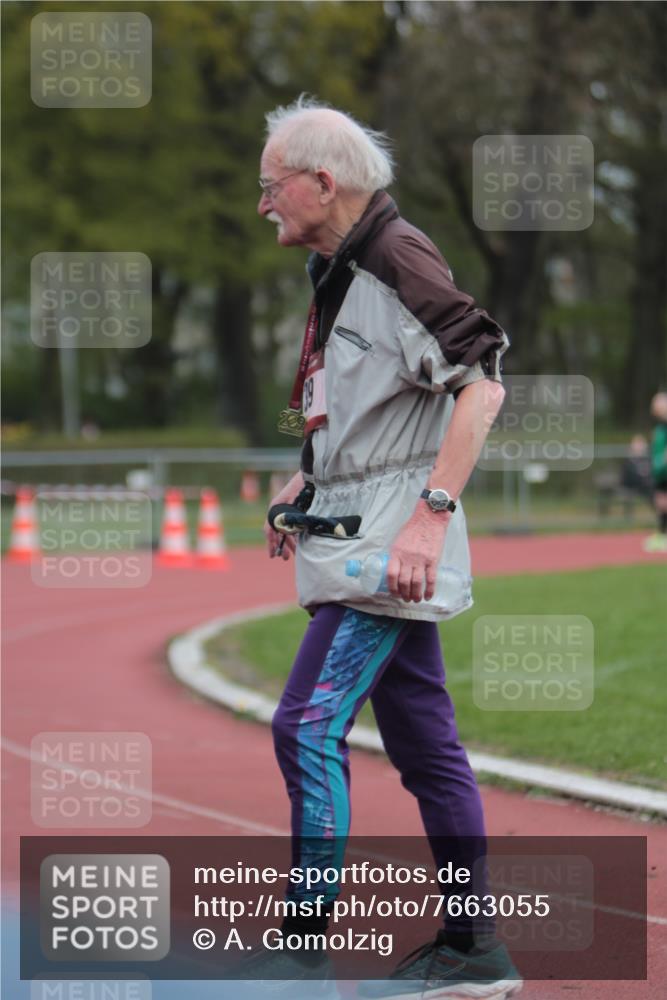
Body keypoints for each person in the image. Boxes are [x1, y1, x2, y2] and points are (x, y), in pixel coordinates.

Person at [255, 96, 520, 999]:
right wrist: (306, 474)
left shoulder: (394, 255)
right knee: (428, 749)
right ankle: (474, 947)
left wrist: (430, 513)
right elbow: (360, 399)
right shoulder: (336, 267)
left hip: (389, 547)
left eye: (272, 185)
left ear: (322, 184)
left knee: (304, 727)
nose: (264, 205)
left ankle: (300, 947)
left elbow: (479, 385)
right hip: (359, 528)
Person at [644, 393, 667, 552]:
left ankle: (662, 535)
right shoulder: (659, 428)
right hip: (660, 471)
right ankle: (661, 534)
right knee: (660, 503)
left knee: (662, 503)